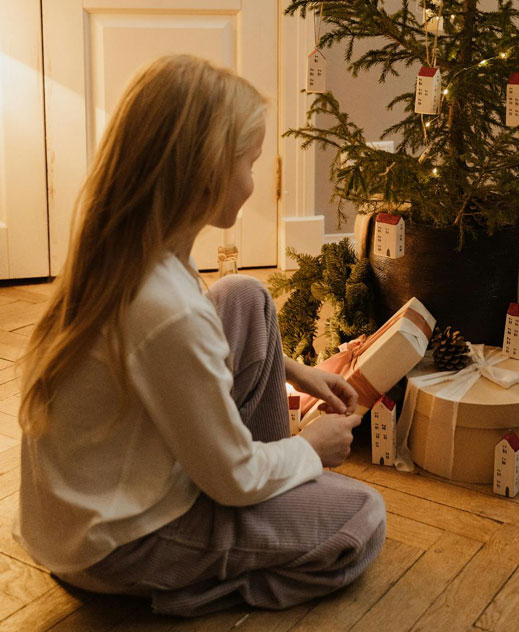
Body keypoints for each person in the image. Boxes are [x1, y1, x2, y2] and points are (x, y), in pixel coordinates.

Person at [14, 54, 386, 617]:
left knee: (248, 296)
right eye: (249, 163)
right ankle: (177, 592)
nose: (253, 183)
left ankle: (265, 486)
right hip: (117, 547)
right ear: (205, 169)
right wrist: (310, 448)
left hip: (81, 520)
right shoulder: (163, 310)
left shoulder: (128, 256)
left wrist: (295, 370)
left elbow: (181, 353)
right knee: (363, 515)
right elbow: (233, 477)